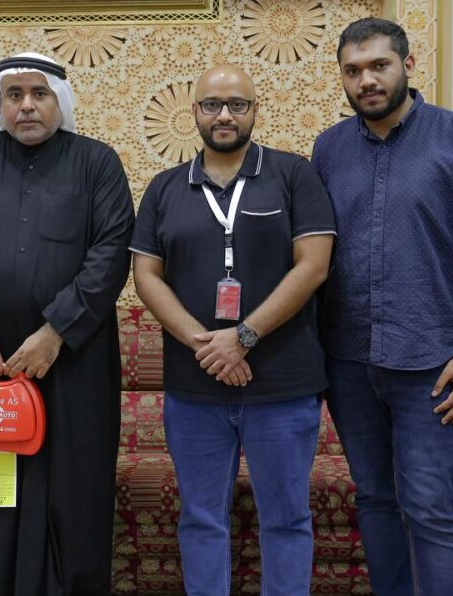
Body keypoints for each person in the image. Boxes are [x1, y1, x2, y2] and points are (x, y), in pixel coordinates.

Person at [311, 17, 453, 595]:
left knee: (429, 506)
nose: (366, 80)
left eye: (379, 65)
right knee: (375, 498)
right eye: (353, 70)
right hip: (349, 361)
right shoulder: (329, 148)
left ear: (408, 65)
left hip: (432, 363)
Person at [0, 52, 134, 595]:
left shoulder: (97, 163)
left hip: (75, 362)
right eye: (14, 95)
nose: (26, 105)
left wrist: (55, 332)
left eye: (39, 94)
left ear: (59, 102)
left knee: (75, 492)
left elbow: (110, 254)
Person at [131, 64, 335, 594]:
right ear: (195, 112)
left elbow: (313, 266)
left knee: (286, 519)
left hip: (283, 387)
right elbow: (146, 275)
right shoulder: (164, 188)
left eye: (237, 104)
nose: (224, 115)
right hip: (194, 388)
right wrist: (205, 344)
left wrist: (242, 337)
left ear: (255, 111)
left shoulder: (294, 175)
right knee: (201, 519)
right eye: (212, 105)